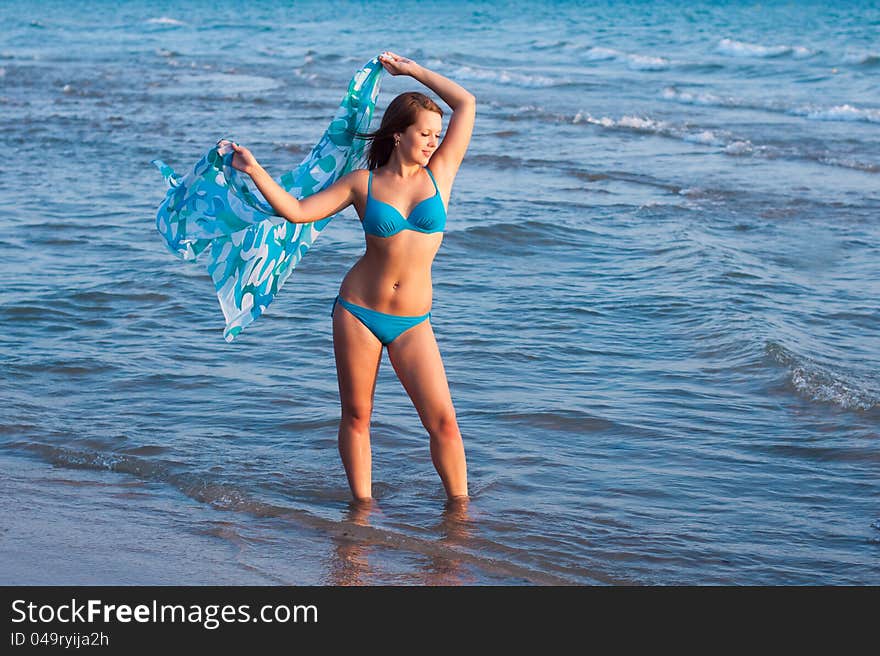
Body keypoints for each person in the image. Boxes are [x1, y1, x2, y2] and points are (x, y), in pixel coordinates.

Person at [225, 51, 476, 502]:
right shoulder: (362, 184)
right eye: (424, 134)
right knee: (358, 416)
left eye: (437, 135)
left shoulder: (441, 174)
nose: (433, 143)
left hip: (414, 320)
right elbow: (298, 212)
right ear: (398, 135)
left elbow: (467, 103)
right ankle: (361, 510)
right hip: (358, 311)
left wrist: (413, 71)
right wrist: (255, 169)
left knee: (443, 422)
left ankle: (460, 513)